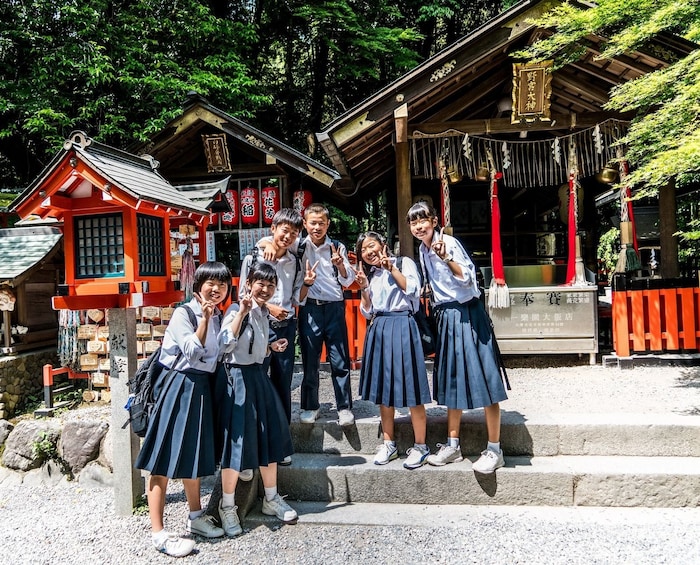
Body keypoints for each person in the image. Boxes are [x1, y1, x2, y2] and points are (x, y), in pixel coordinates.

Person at [135, 261, 231, 557]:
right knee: (163, 458)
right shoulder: (184, 313)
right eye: (210, 284)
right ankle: (158, 532)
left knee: (195, 453)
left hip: (200, 387)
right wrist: (203, 320)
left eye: (222, 285)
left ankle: (195, 516)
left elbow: (220, 353)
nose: (216, 290)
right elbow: (192, 351)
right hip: (178, 387)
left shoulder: (217, 316)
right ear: (198, 285)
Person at [406, 201, 510, 474]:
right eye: (414, 223)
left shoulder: (447, 243)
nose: (419, 226)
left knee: (485, 378)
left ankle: (495, 448)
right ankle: (453, 444)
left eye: (423, 220)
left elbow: (467, 280)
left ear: (435, 220)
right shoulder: (422, 249)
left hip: (466, 312)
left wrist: (446, 259)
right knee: (453, 378)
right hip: (445, 317)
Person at [216, 262, 298, 536]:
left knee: (269, 436)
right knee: (236, 443)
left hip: (258, 377)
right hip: (238, 379)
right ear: (248, 284)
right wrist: (241, 312)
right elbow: (225, 344)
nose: (265, 289)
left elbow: (256, 349)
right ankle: (227, 507)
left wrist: (271, 346)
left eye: (270, 285)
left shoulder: (263, 313)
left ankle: (271, 498)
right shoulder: (235, 310)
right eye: (260, 283)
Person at [354, 231, 432, 469]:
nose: (369, 252)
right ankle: (389, 443)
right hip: (379, 326)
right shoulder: (370, 275)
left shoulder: (403, 262)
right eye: (364, 250)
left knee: (412, 387)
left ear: (383, 245)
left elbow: (413, 291)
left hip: (402, 323)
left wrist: (391, 269)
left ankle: (421, 446)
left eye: (372, 246)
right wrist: (364, 288)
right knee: (383, 389)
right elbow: (367, 311)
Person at [244, 208, 304, 465]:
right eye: (284, 230)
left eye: (293, 232)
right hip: (258, 324)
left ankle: (281, 445)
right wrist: (269, 308)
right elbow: (242, 296)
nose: (287, 236)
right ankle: (254, 441)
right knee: (255, 382)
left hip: (286, 326)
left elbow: (296, 295)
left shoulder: (295, 262)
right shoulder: (255, 258)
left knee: (283, 383)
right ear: (273, 229)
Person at [296, 203, 355, 426]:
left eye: (322, 223)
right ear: (305, 224)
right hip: (310, 307)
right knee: (310, 361)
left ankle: (344, 407)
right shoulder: (299, 247)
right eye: (313, 223)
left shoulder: (336, 246)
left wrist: (340, 265)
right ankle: (311, 406)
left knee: (339, 359)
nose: (317, 227)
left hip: (334, 307)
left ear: (328, 223)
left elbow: (348, 281)